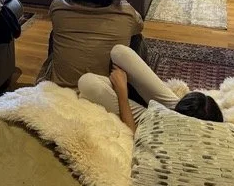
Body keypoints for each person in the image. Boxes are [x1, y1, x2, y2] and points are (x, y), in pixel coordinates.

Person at [37, 0, 143, 88]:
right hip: (104, 92)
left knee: (55, 33)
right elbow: (139, 26)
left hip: (61, 88)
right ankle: (136, 87)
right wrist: (119, 0)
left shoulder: (58, 7)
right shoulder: (126, 13)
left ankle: (56, 74)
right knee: (137, 38)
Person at [79, 44, 223, 133]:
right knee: (120, 52)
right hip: (178, 114)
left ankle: (125, 90)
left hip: (161, 124)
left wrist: (122, 92)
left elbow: (133, 135)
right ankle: (178, 110)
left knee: (88, 83)